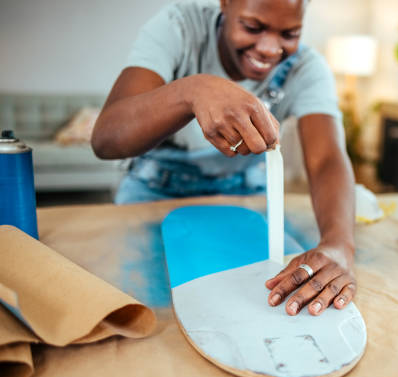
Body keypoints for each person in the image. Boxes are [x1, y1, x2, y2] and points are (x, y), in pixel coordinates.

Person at [91, 0, 356, 317]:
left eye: (290, 33)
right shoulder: (180, 28)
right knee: (148, 307)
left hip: (244, 192)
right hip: (154, 188)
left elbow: (327, 158)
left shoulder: (306, 68)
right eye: (252, 27)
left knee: (256, 301)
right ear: (225, 4)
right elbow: (106, 139)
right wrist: (191, 91)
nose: (270, 49)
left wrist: (340, 245)